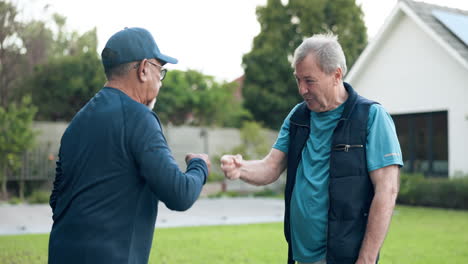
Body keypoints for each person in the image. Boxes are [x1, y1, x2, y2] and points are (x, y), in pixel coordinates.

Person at [221, 33, 402, 264]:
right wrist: (241, 169)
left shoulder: (371, 117)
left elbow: (387, 191)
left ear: (336, 75)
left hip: (346, 257)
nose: (302, 89)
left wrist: (366, 260)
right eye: (298, 80)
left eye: (309, 80)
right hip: (301, 257)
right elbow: (271, 166)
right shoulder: (298, 117)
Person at [48, 27, 211, 264]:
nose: (160, 81)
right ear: (144, 69)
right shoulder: (140, 118)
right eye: (160, 71)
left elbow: (56, 199)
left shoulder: (78, 121)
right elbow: (179, 194)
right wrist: (199, 165)